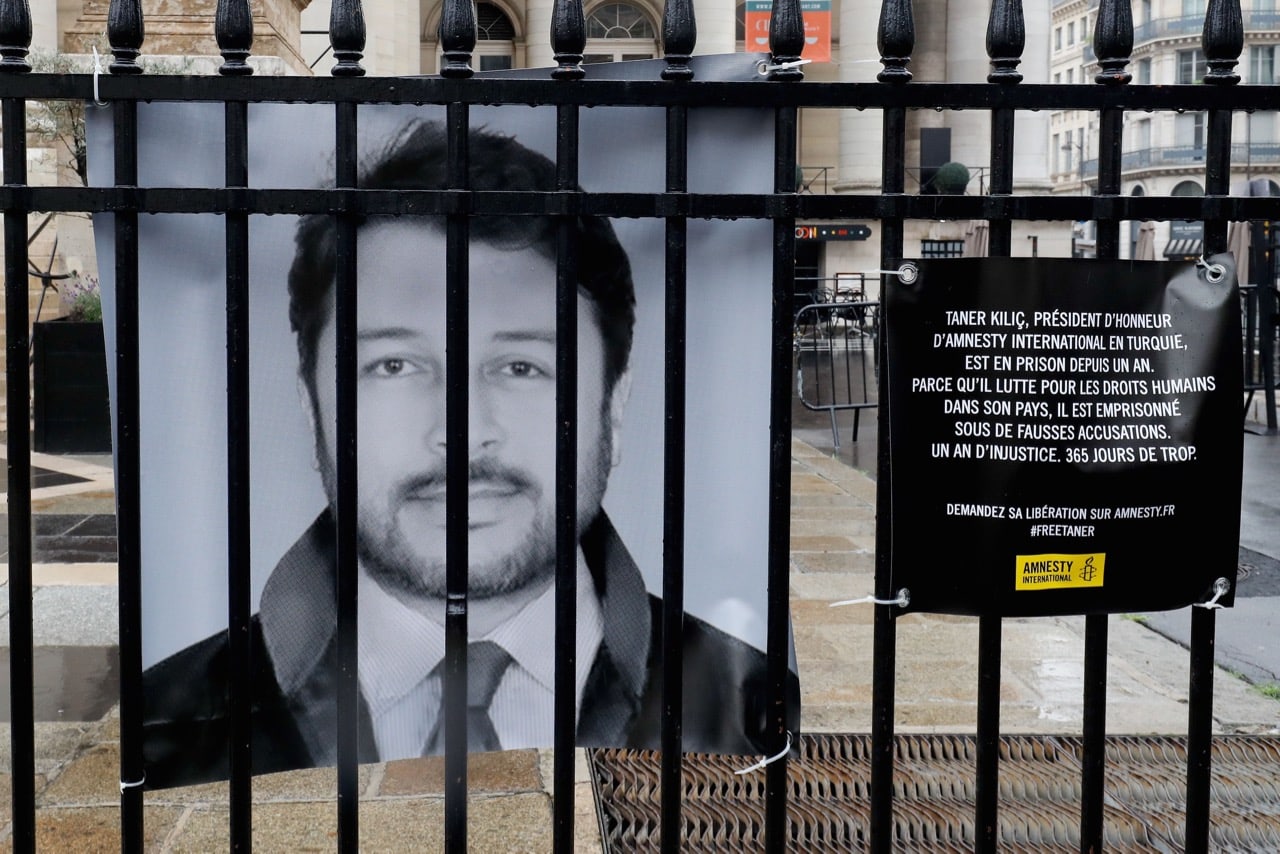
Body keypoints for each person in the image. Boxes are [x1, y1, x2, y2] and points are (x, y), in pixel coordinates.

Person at [142, 120, 800, 789]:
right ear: (313, 404)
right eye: (394, 364)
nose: (461, 430)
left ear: (616, 403)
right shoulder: (169, 718)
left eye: (521, 366)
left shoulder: (750, 707)